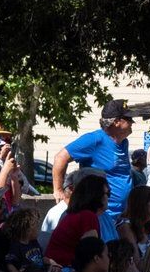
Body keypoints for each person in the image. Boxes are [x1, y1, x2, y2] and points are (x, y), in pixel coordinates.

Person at [53, 100, 138, 246]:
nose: (133, 122)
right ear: (116, 122)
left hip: (120, 216)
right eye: (128, 119)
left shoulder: (123, 143)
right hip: (99, 215)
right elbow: (61, 157)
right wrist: (58, 190)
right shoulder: (94, 140)